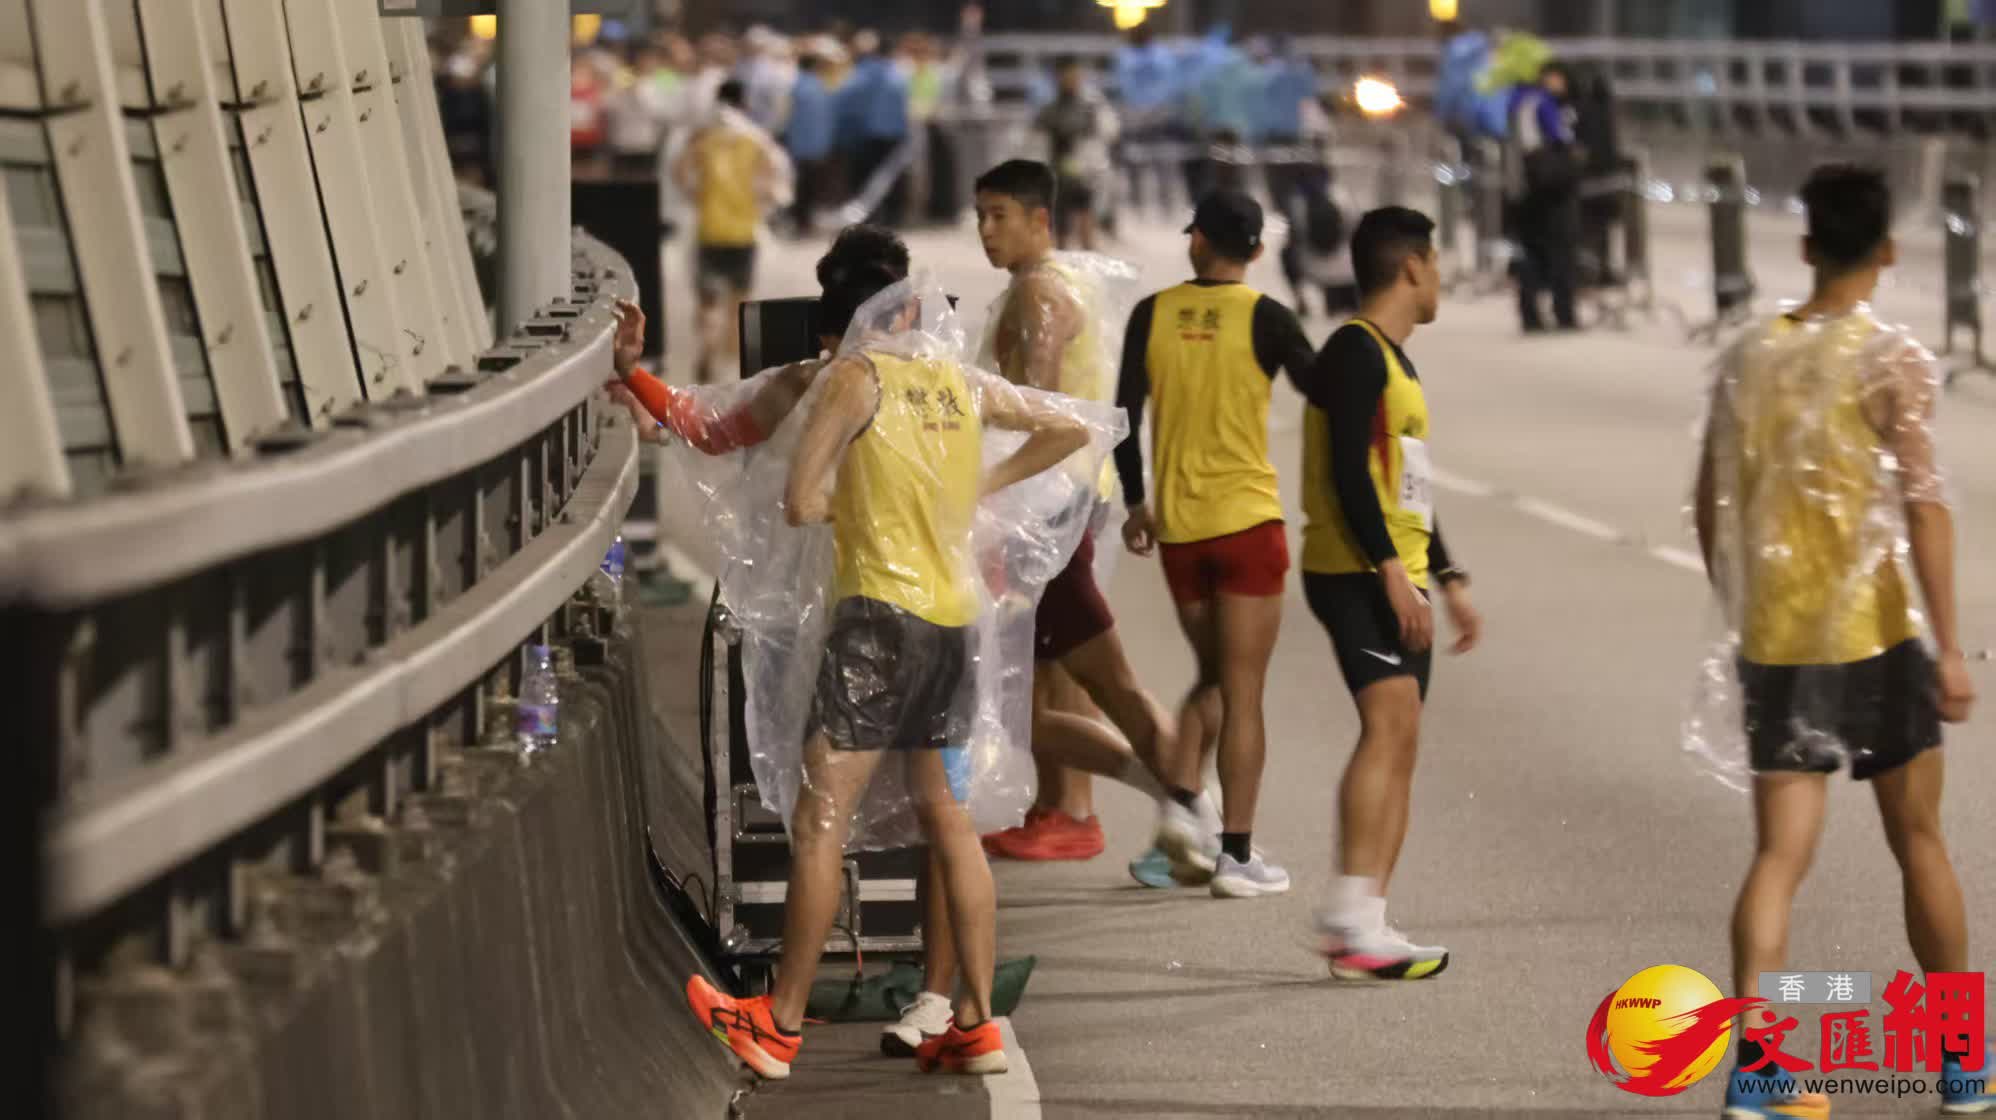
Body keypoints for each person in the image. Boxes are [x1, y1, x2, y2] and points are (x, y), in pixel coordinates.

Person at [685, 232, 1093, 1083]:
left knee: (820, 817)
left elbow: (798, 502)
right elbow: (1065, 426)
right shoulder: (957, 381)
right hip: (950, 622)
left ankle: (781, 1022)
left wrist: (862, 501)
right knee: (952, 823)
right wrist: (981, 485)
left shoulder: (850, 379)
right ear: (910, 307)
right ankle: (978, 1023)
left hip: (875, 622)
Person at [1692, 164, 1987, 1119]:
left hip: (1778, 641)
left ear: (1806, 243)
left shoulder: (1745, 355)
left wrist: (1744, 606)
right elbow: (1925, 506)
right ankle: (1963, 1068)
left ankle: (1759, 1070)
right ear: (1891, 250)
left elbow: (1709, 506)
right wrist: (1948, 647)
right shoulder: (1890, 359)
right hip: (1875, 638)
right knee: (1920, 842)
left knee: (1779, 857)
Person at [1113, 190, 1316, 898]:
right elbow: (1323, 389)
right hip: (1248, 521)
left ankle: (1180, 811)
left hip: (1180, 531)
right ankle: (1234, 852)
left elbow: (1123, 414)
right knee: (1241, 690)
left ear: (1195, 240)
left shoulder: (1153, 313)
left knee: (1213, 678)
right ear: (1258, 251)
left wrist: (1137, 502)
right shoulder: (1268, 317)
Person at [1296, 207, 1479, 982]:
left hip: (1393, 569)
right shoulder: (1353, 353)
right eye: (1436, 264)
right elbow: (1345, 473)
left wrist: (1451, 575)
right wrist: (1390, 571)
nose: (1440, 281)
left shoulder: (1397, 363)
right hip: (1353, 572)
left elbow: (1406, 484)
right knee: (1388, 720)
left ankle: (1366, 924)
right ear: (1412, 266)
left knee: (1404, 736)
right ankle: (1348, 908)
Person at [673, 79, 792, 384]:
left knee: (707, 302)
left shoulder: (702, 137)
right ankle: (732, 377)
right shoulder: (757, 140)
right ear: (745, 103)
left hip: (708, 231)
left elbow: (679, 172)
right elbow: (774, 184)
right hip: (743, 232)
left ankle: (707, 350)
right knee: (738, 304)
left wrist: (695, 196)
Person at [1506, 61, 1582, 333]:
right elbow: (1560, 136)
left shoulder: (1515, 101)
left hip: (1521, 188)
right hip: (1548, 188)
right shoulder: (1541, 103)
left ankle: (1530, 314)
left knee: (1530, 252)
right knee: (1559, 251)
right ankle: (1564, 313)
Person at [1032, 59, 1116, 251]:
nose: (1071, 80)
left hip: (1085, 171)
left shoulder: (1090, 106)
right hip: (1058, 173)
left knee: (1086, 220)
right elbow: (1036, 138)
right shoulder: (1050, 108)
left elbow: (1106, 132)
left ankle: (1089, 265)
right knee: (1060, 230)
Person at [785, 54, 837, 235]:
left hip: (799, 144)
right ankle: (806, 220)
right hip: (817, 144)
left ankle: (801, 220)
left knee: (801, 184)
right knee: (813, 185)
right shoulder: (820, 86)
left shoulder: (794, 87)